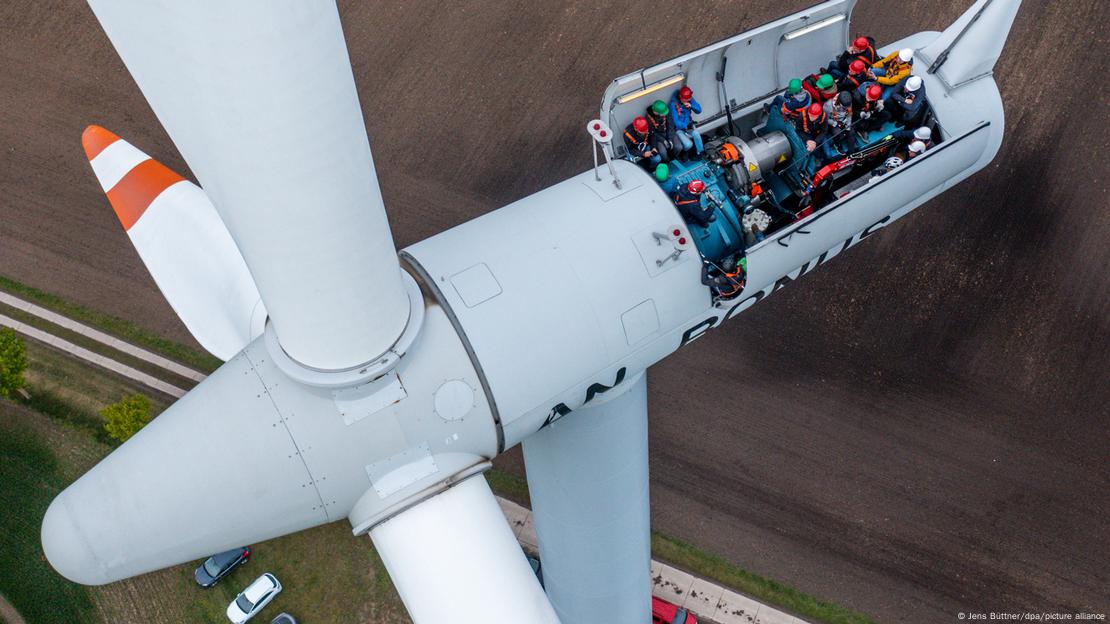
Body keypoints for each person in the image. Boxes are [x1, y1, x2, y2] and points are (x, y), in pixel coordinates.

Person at [669, 86, 704, 157]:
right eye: (685, 100)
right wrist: (685, 126)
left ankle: (700, 153)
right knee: (688, 145)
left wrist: (691, 106)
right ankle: (685, 152)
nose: (687, 101)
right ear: (680, 97)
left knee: (696, 134)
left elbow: (699, 110)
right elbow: (676, 122)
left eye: (688, 100)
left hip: (689, 125)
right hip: (679, 129)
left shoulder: (689, 99)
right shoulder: (673, 105)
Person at [824, 91, 857, 156]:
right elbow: (825, 119)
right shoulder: (828, 106)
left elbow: (849, 114)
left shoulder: (848, 102)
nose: (847, 108)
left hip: (844, 120)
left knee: (851, 132)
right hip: (834, 122)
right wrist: (835, 123)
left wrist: (848, 125)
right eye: (845, 107)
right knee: (837, 133)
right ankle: (837, 145)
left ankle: (851, 152)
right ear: (839, 102)